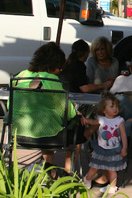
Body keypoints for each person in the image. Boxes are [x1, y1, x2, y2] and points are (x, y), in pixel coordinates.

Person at [12, 42, 87, 175]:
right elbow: (67, 112)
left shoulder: (19, 77)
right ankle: (67, 174)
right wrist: (77, 113)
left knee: (49, 121)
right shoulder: (51, 80)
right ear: (51, 65)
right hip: (47, 136)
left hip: (19, 133)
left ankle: (48, 170)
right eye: (59, 67)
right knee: (78, 127)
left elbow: (10, 107)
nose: (60, 70)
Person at [81, 92, 127, 195]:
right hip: (101, 149)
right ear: (104, 110)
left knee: (112, 170)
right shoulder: (101, 119)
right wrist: (85, 120)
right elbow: (92, 122)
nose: (115, 108)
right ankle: (87, 179)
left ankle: (112, 186)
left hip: (114, 149)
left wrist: (124, 148)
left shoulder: (120, 120)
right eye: (112, 106)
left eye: (116, 106)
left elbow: (123, 135)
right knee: (95, 167)